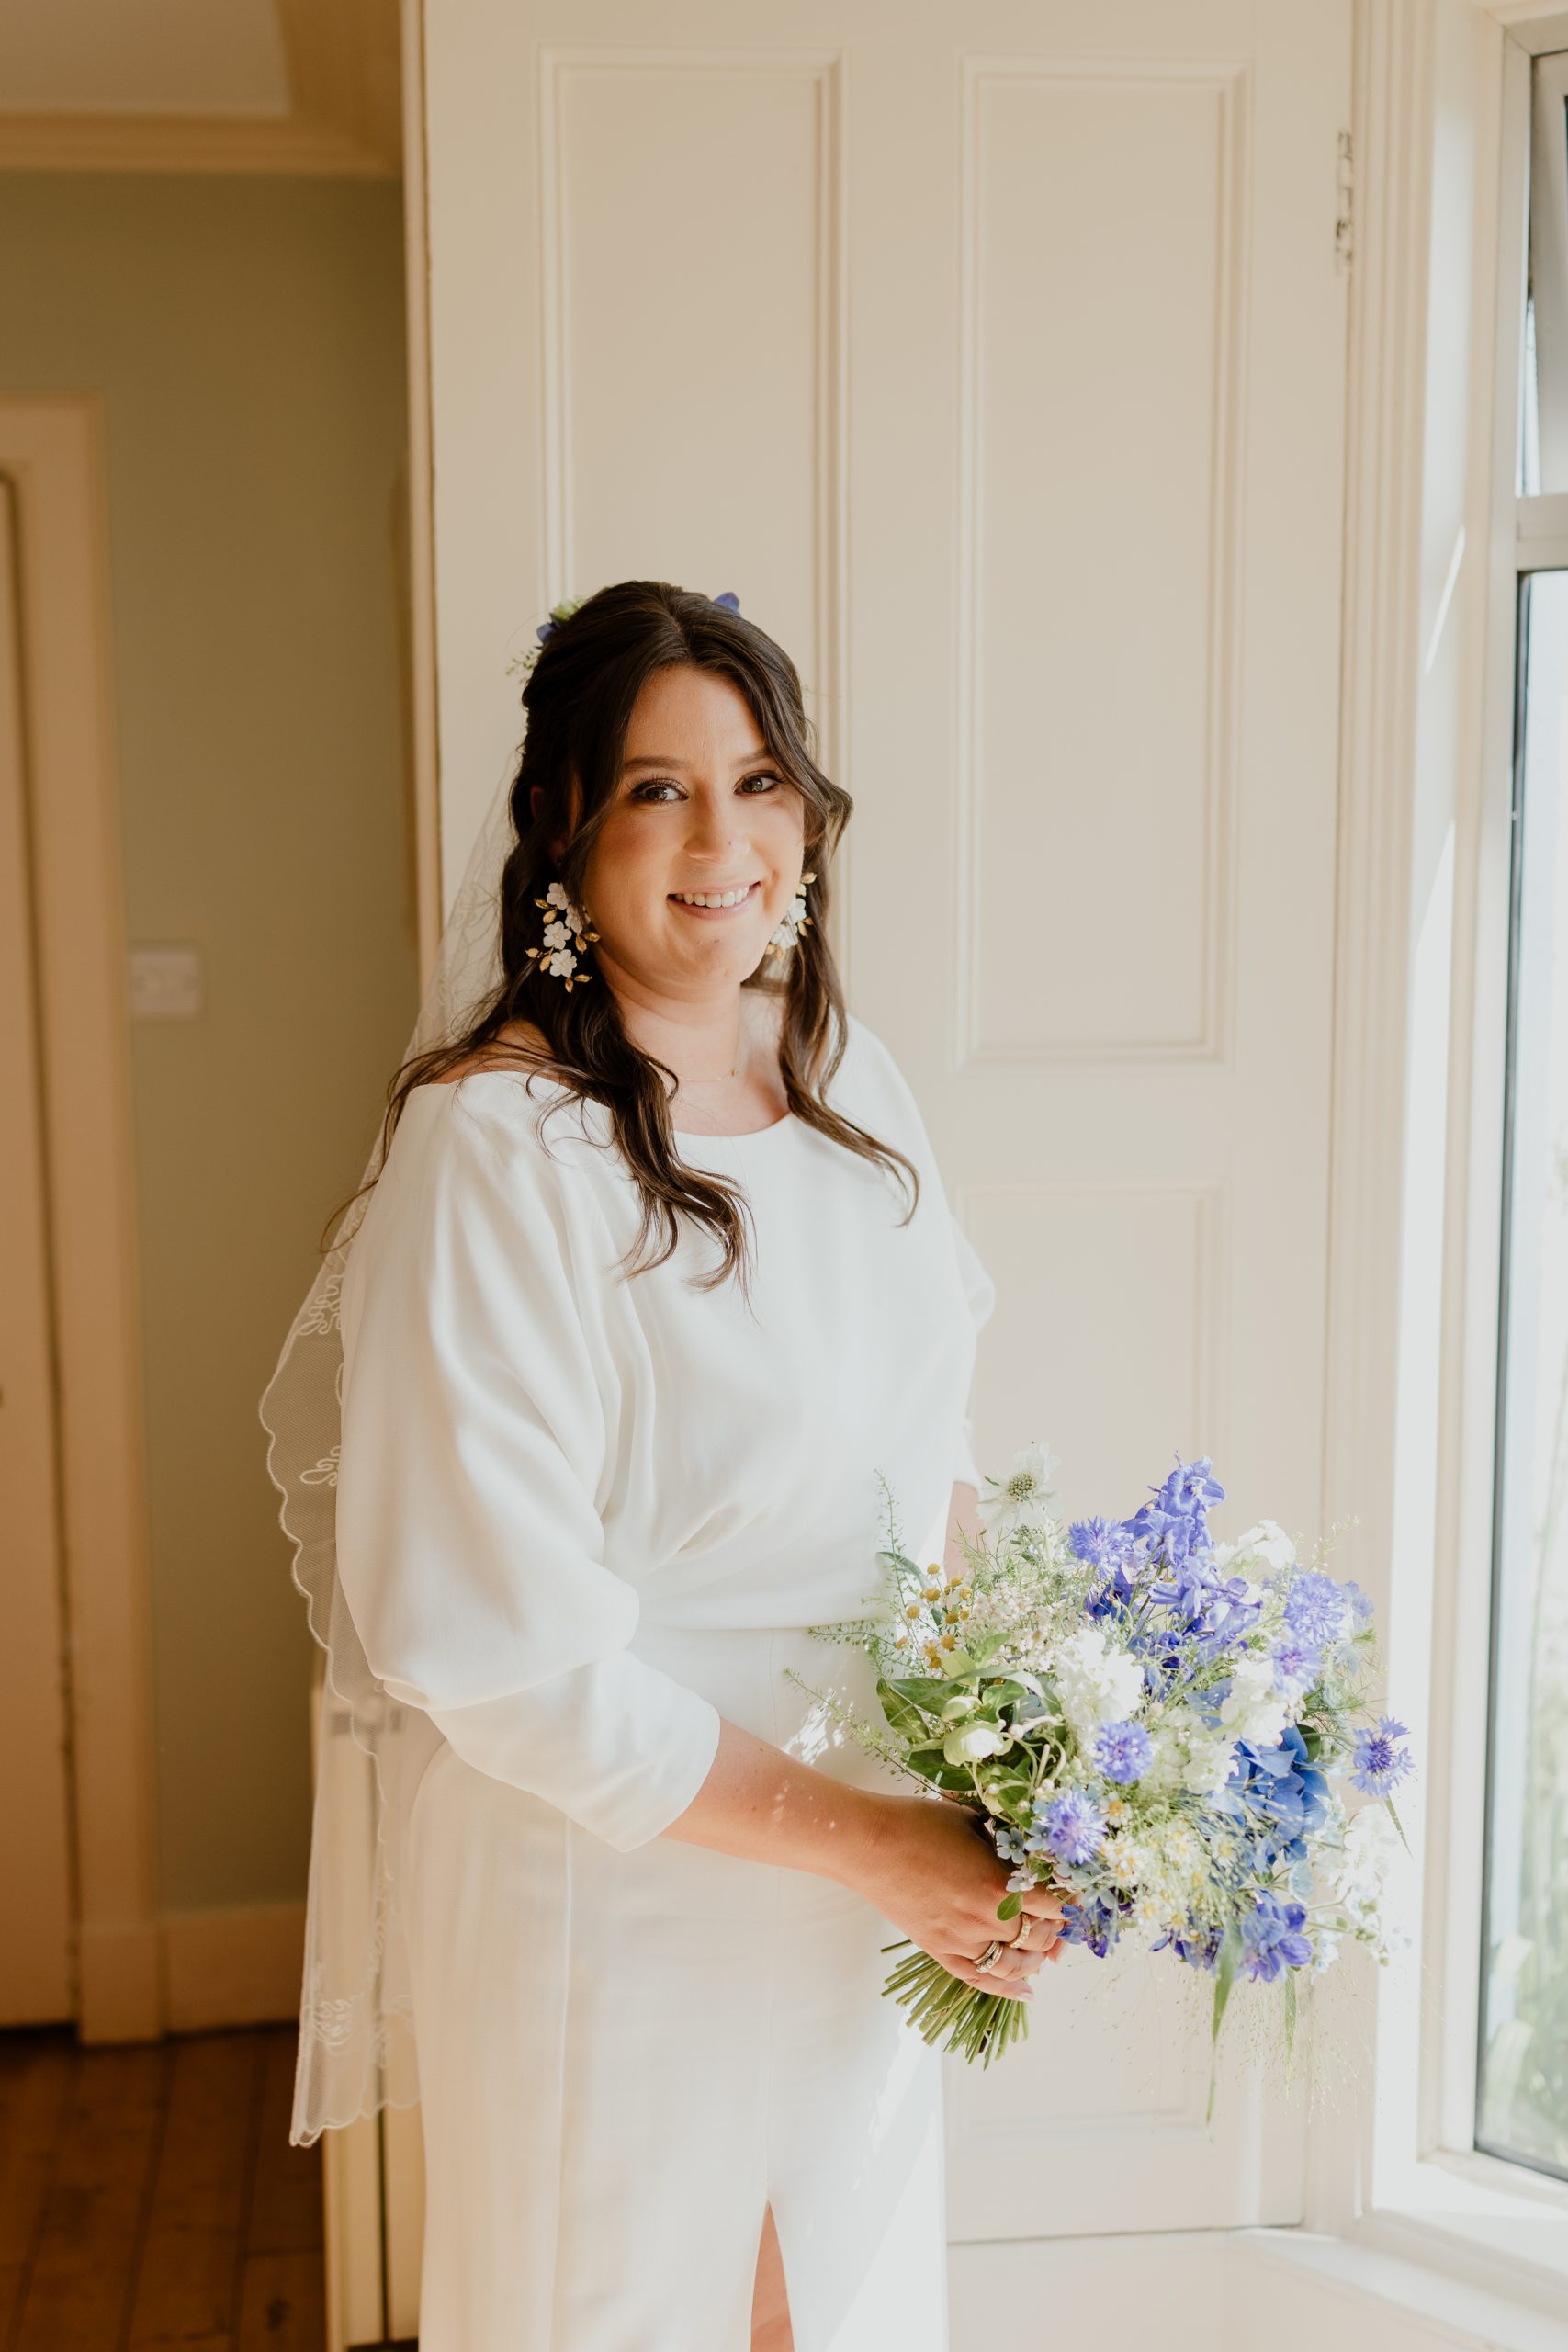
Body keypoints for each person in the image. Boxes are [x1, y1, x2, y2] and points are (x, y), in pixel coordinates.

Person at [299, 582, 1065, 2352]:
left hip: (870, 1893)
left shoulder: (847, 1080)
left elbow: (928, 1449)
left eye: (758, 782)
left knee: (840, 2316)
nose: (725, 842)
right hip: (618, 1896)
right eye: (660, 790)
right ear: (562, 822)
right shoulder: (496, 1150)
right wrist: (878, 1846)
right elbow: (499, 1653)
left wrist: (1028, 1770)